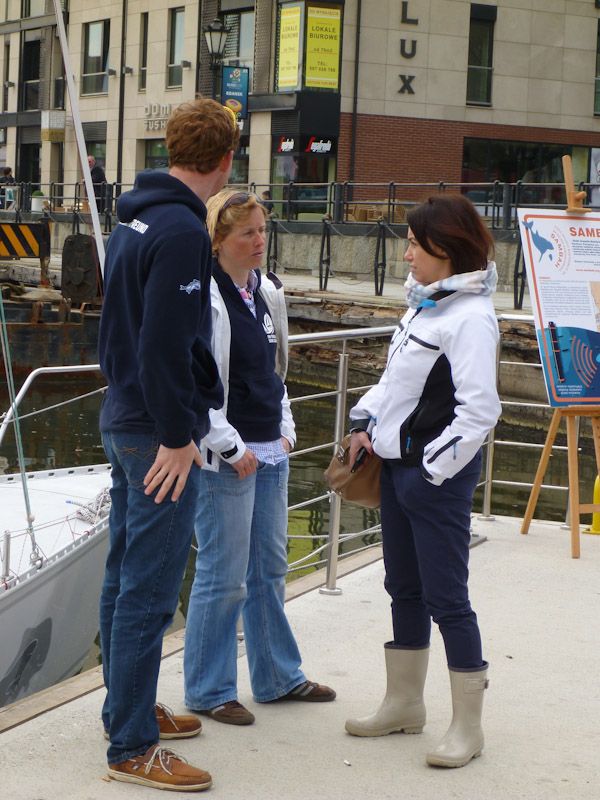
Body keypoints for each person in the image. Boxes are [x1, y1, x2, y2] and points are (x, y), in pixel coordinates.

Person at [98, 99, 239, 792]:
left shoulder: (134, 216)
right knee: (148, 590)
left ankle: (124, 707)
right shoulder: (183, 229)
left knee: (124, 576)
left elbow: (122, 325)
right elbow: (162, 344)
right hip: (156, 433)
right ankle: (132, 745)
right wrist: (180, 437)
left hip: (121, 416)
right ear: (226, 160)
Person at [344, 194, 501, 769]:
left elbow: (481, 411)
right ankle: (405, 703)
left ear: (444, 248)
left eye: (414, 243)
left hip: (434, 479)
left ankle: (468, 727)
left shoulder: (470, 317)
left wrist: (431, 470)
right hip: (400, 471)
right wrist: (365, 422)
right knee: (403, 588)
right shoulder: (426, 308)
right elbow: (395, 387)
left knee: (448, 600)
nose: (406, 252)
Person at [183, 189, 336, 725]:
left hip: (271, 447)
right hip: (230, 453)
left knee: (269, 568)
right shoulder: (206, 295)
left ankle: (277, 677)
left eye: (262, 230)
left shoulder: (266, 291)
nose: (259, 241)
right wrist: (228, 444)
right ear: (219, 240)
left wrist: (287, 428)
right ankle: (208, 688)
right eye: (247, 232)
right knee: (223, 574)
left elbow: (275, 367)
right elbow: (199, 379)